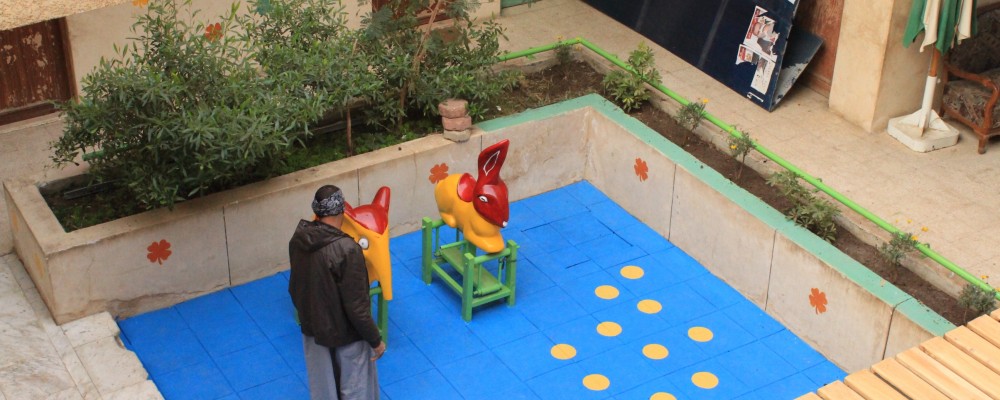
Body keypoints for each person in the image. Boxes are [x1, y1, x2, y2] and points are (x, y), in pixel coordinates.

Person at [289, 185, 386, 399]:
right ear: (341, 210)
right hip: (347, 334)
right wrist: (375, 340)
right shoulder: (347, 250)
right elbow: (357, 306)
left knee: (323, 388)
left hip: (314, 329)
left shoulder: (298, 240)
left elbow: (296, 286)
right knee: (356, 388)